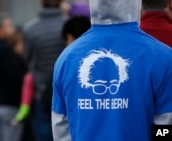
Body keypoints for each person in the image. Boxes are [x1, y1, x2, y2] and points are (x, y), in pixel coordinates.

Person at [52, 0, 172, 141]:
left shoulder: (66, 59)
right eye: (98, 87)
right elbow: (165, 124)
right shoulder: (163, 57)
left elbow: (60, 127)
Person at [23, 0, 66, 140]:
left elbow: (27, 59)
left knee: (44, 134)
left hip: (41, 91)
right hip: (66, 90)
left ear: (41, 3)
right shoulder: (69, 26)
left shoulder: (30, 29)